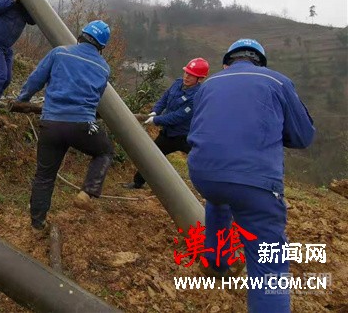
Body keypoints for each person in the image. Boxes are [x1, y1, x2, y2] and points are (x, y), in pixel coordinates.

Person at [187, 39, 315, 313]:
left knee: (219, 198)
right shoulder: (278, 82)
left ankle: (217, 261)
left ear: (228, 61)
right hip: (255, 182)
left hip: (203, 174)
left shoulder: (208, 84)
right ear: (260, 62)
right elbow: (303, 136)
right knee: (270, 261)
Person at [16, 20, 114, 231]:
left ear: (81, 35)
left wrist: (22, 99)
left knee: (44, 175)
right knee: (105, 151)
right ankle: (87, 191)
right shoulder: (103, 67)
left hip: (51, 124)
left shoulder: (59, 53)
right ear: (101, 47)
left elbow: (36, 79)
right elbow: (96, 97)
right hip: (84, 125)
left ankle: (37, 223)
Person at [123, 58, 210, 189]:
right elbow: (164, 98)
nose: (187, 76)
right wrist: (155, 111)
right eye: (186, 73)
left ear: (200, 79)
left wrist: (156, 120)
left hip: (185, 136)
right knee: (151, 156)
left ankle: (212, 189)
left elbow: (177, 117)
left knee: (202, 161)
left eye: (192, 75)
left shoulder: (197, 96)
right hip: (168, 134)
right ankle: (137, 183)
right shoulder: (177, 83)